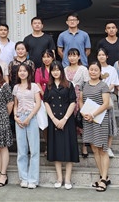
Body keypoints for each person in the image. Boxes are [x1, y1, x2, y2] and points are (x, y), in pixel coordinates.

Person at [43, 61, 79, 190]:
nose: (55, 72)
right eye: (53, 70)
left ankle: (68, 179)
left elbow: (73, 102)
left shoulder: (69, 84)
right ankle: (59, 178)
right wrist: (53, 119)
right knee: (56, 149)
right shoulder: (49, 86)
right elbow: (46, 102)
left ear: (62, 71)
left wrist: (64, 119)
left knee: (69, 149)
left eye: (58, 70)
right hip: (53, 121)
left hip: (67, 121)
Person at [79, 61, 111, 192]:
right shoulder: (84, 85)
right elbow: (80, 101)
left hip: (100, 120)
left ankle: (103, 179)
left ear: (100, 72)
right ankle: (103, 177)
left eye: (95, 70)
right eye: (91, 69)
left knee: (102, 149)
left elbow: (106, 103)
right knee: (94, 149)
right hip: (88, 120)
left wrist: (93, 114)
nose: (93, 72)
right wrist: (83, 113)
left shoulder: (103, 85)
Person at [12, 63, 41, 189]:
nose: (22, 73)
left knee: (34, 150)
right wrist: (15, 116)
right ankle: (23, 178)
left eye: (24, 70)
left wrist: (29, 117)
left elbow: (38, 103)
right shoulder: (16, 87)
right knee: (22, 150)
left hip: (31, 117)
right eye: (20, 71)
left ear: (29, 72)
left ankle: (33, 180)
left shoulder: (34, 86)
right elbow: (15, 104)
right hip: (19, 118)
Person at [64, 48, 90, 157]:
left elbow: (87, 84)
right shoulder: (65, 69)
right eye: (70, 55)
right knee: (71, 121)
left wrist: (83, 98)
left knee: (81, 121)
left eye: (74, 55)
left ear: (79, 57)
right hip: (68, 98)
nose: (72, 58)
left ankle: (84, 146)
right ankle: (72, 146)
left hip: (80, 96)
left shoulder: (83, 69)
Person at [97, 47, 119, 158]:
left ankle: (108, 147)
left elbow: (113, 84)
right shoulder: (95, 68)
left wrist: (104, 91)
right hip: (96, 97)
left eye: (103, 55)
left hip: (108, 97)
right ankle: (99, 146)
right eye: (99, 55)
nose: (101, 57)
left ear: (107, 56)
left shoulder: (112, 69)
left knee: (110, 123)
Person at [34, 49, 55, 153]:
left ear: (52, 58)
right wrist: (44, 94)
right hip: (43, 100)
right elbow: (37, 83)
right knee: (44, 124)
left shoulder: (56, 68)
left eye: (48, 56)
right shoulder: (39, 70)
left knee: (54, 123)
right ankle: (48, 145)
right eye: (44, 57)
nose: (46, 59)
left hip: (55, 100)